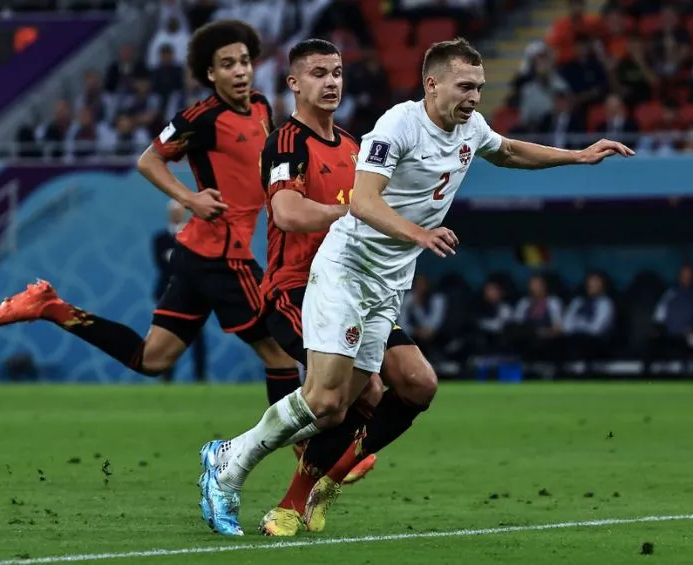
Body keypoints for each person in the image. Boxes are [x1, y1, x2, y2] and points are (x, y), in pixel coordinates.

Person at [199, 37, 633, 536]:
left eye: (480, 87)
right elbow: (361, 202)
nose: (475, 97)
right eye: (465, 86)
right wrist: (419, 233)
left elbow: (508, 150)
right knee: (327, 401)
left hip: (387, 283)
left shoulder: (468, 127)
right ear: (432, 83)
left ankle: (319, 485)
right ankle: (232, 461)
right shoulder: (396, 125)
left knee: (385, 394)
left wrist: (578, 156)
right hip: (344, 270)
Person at [0, 21, 299, 398]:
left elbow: (264, 166)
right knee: (279, 356)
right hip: (224, 256)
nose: (240, 71)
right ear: (211, 73)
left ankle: (54, 308)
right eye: (228, 64)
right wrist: (190, 199)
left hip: (197, 256)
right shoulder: (200, 119)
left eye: (244, 61)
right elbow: (148, 160)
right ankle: (311, 457)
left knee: (152, 359)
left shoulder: (262, 107)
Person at [215, 39, 437, 537]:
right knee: (352, 397)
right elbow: (287, 214)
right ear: (294, 83)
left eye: (337, 72)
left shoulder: (358, 148)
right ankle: (254, 472)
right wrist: (352, 210)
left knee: (417, 382)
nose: (332, 82)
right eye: (318, 73)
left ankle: (326, 480)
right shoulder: (286, 142)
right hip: (296, 290)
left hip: (358, 287)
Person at [152, 200, 206, 383]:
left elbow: (195, 264)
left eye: (179, 211)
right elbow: (161, 265)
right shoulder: (160, 239)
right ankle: (167, 377)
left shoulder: (193, 237)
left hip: (193, 294)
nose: (177, 215)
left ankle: (200, 377)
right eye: (174, 211)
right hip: (167, 294)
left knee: (197, 338)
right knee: (166, 337)